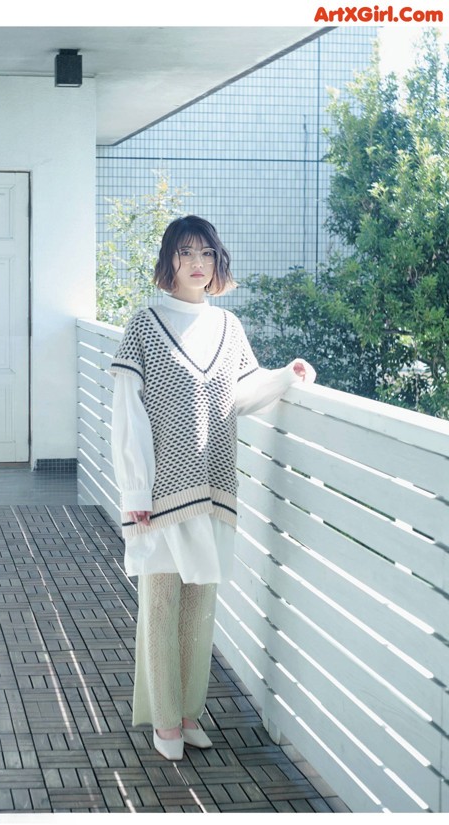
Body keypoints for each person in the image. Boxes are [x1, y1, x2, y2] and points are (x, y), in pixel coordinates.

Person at [109, 215, 316, 761]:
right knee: (161, 603)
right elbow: (127, 415)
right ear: (168, 262)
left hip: (215, 484)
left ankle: (187, 712)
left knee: (201, 606)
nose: (196, 263)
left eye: (205, 252)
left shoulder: (229, 328)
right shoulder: (144, 324)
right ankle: (164, 721)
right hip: (161, 494)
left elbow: (241, 394)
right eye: (184, 253)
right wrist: (135, 492)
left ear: (216, 261)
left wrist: (285, 376)